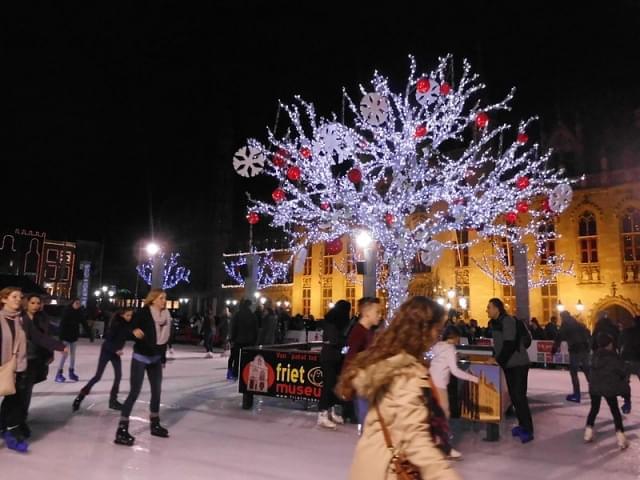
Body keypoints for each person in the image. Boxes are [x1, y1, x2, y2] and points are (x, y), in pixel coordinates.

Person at [336, 296, 460, 480]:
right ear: (423, 331)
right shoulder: (405, 375)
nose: (438, 336)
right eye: (437, 330)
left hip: (370, 465)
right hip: (386, 471)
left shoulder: (390, 361)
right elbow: (417, 441)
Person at [114, 289, 171, 447]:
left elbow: (164, 340)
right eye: (161, 298)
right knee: (134, 392)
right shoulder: (144, 313)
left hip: (156, 357)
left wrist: (163, 357)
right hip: (141, 357)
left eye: (165, 298)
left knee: (157, 391)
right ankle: (122, 429)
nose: (164, 301)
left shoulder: (166, 316)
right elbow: (126, 327)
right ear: (153, 300)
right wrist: (133, 332)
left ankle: (155, 424)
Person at [487, 298, 534, 443]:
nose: (487, 310)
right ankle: (522, 425)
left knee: (519, 396)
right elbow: (500, 346)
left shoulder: (507, 321)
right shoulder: (494, 324)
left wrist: (497, 360)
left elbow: (510, 343)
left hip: (518, 363)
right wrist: (496, 357)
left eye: (489, 307)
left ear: (497, 308)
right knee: (514, 397)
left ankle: (528, 429)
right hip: (509, 364)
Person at [21, 294, 67, 438]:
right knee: (19, 393)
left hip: (36, 358)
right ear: (26, 303)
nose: (35, 305)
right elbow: (38, 337)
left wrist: (50, 352)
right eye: (32, 302)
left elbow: (46, 335)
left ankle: (18, 420)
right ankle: (14, 422)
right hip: (22, 359)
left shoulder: (42, 318)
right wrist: (59, 346)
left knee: (26, 391)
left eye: (37, 303)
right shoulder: (21, 318)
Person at [429, 326, 479, 459]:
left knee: (435, 415)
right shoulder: (450, 349)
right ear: (455, 337)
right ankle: (444, 448)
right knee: (444, 416)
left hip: (431, 383)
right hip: (440, 385)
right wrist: (474, 378)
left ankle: (437, 445)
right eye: (458, 337)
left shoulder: (438, 345)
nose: (459, 340)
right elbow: (455, 371)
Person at [73, 308, 134, 412]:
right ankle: (80, 397)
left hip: (115, 353)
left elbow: (129, 335)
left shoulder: (126, 325)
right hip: (107, 351)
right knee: (97, 376)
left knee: (118, 376)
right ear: (122, 315)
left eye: (131, 315)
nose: (129, 317)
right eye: (127, 315)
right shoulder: (116, 325)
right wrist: (115, 350)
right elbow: (108, 341)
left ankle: (113, 401)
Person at [343, 297, 383, 433]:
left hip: (369, 381)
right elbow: (350, 357)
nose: (380, 315)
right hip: (362, 383)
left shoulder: (369, 332)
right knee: (367, 422)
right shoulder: (358, 332)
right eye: (377, 312)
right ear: (367, 313)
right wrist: (348, 381)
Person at [584, 333, 629, 449]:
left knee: (594, 409)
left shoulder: (594, 356)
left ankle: (588, 432)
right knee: (615, 411)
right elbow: (622, 371)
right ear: (609, 344)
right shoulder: (613, 357)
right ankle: (621, 437)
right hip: (609, 387)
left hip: (595, 387)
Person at [0, 287, 29, 452]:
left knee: (14, 401)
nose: (18, 299)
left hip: (16, 367)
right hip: (2, 366)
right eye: (14, 296)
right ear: (4, 299)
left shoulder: (20, 320)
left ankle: (10, 431)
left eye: (20, 296)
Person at [317, 300, 351, 429]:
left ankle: (330, 411)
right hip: (329, 358)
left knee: (332, 386)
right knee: (328, 386)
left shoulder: (335, 322)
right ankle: (322, 413)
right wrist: (344, 342)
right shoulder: (332, 323)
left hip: (334, 357)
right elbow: (333, 340)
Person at [551, 311, 591, 403]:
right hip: (584, 349)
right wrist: (588, 346)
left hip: (575, 350)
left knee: (574, 372)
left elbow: (559, 337)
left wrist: (554, 349)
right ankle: (595, 390)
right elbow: (588, 333)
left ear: (563, 317)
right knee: (587, 371)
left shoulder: (565, 325)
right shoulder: (578, 324)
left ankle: (576, 394)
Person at [56, 298, 93, 383]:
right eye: (76, 303)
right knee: (64, 355)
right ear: (72, 303)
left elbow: (84, 324)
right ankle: (59, 373)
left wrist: (90, 335)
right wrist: (60, 339)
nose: (78, 305)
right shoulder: (67, 312)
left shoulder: (79, 313)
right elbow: (62, 325)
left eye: (79, 304)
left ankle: (71, 372)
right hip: (65, 337)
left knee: (73, 356)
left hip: (74, 337)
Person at [227, 299, 258, 380]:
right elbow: (255, 329)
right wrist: (255, 339)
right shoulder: (252, 315)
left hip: (239, 340)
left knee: (237, 358)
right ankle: (246, 374)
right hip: (249, 341)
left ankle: (235, 374)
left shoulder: (238, 314)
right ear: (250, 305)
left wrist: (232, 338)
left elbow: (234, 327)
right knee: (247, 358)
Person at [620, 316, 640, 413]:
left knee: (625, 383)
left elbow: (620, 343)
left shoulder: (627, 331)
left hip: (627, 359)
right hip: (638, 360)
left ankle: (627, 403)